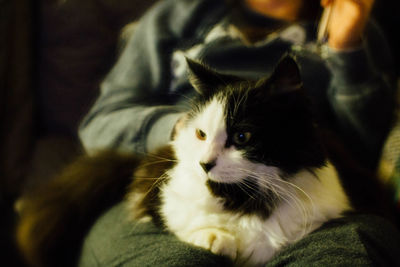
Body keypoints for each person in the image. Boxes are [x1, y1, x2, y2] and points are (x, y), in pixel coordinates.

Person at [77, 0, 400, 266]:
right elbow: (101, 122)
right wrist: (190, 132)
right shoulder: (176, 15)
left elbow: (369, 145)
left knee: (341, 257)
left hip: (305, 194)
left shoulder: (357, 23)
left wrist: (348, 47)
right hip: (167, 188)